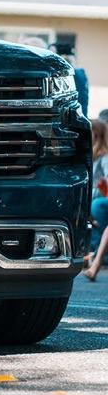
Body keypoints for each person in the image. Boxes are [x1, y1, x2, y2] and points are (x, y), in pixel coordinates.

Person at [84, 119, 108, 281]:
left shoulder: (104, 156)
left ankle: (96, 259)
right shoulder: (88, 155)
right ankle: (93, 257)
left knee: (96, 205)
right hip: (96, 196)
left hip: (101, 197)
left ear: (96, 135)